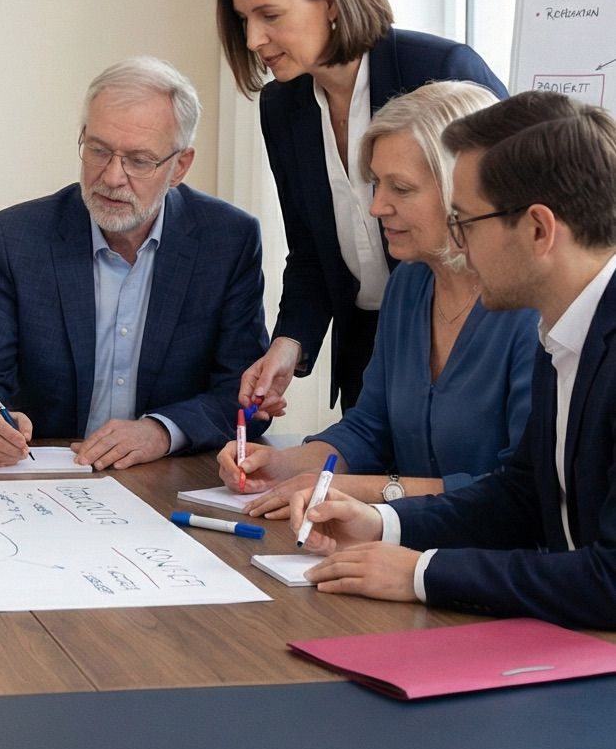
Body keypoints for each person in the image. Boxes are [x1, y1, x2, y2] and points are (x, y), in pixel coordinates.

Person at [293, 91, 616, 629]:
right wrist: (382, 524)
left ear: (538, 230)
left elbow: (611, 579)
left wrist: (423, 573)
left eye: (465, 222)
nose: (459, 245)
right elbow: (522, 495)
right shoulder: (562, 325)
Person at [216, 0, 508, 412]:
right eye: (244, 21)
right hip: (368, 354)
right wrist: (288, 345)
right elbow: (310, 251)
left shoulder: (440, 70)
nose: (252, 41)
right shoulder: (282, 108)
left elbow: (509, 218)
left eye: (270, 16)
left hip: (470, 337)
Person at [0, 56, 272, 470]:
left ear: (179, 166)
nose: (112, 177)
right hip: (46, 483)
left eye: (138, 160)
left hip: (169, 481)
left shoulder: (227, 240)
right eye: (98, 151)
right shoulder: (19, 238)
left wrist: (162, 431)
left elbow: (244, 397)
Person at [217, 82, 537, 515]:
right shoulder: (408, 283)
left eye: (400, 189)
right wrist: (280, 464)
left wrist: (370, 492)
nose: (376, 207)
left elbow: (521, 490)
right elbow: (370, 428)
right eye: (375, 185)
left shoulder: (531, 308)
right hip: (407, 544)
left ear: (462, 189)